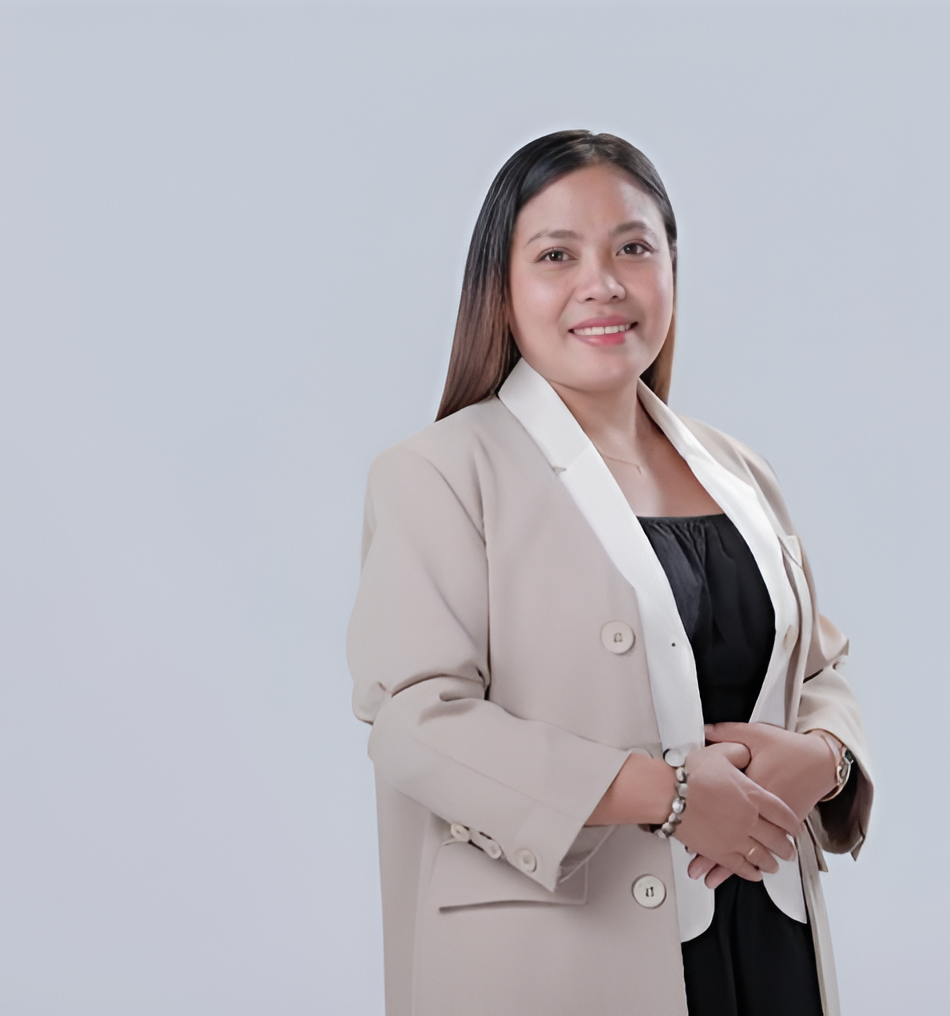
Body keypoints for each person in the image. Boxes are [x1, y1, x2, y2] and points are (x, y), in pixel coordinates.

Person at [347, 130, 874, 1016]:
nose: (605, 283)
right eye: (558, 255)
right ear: (501, 288)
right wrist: (665, 796)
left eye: (634, 247)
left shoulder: (738, 471)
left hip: (763, 929)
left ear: (672, 267)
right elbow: (416, 723)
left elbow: (817, 671)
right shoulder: (439, 472)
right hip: (563, 954)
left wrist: (824, 760)